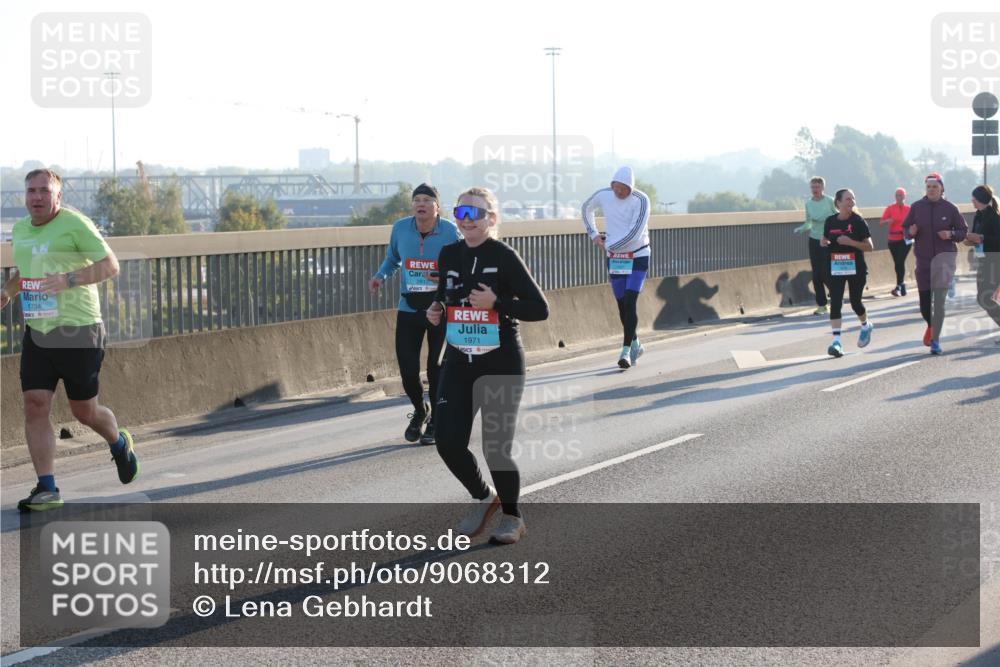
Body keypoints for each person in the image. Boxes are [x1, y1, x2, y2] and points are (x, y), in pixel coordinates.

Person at [0, 169, 138, 512]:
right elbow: (27, 272)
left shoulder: (75, 224)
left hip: (79, 330)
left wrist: (69, 279)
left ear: (57, 196)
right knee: (35, 404)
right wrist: (7, 291)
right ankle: (47, 488)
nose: (36, 197)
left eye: (44, 191)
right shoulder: (20, 231)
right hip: (39, 331)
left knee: (84, 411)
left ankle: (119, 442)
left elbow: (110, 265)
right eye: (30, 191)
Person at [426, 187, 548, 544]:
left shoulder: (504, 256)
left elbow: (540, 309)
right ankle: (484, 497)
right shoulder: (449, 254)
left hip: (501, 361)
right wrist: (436, 311)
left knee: (496, 447)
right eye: (460, 212)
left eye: (474, 213)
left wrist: (497, 301)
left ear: (491, 219)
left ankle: (512, 516)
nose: (465, 220)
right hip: (459, 360)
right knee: (447, 441)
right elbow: (443, 298)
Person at [369, 184, 462, 445]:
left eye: (427, 200)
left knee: (436, 369)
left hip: (439, 309)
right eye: (417, 200)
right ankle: (421, 411)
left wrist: (443, 278)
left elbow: (459, 265)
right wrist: (380, 276)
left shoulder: (450, 232)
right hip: (409, 308)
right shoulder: (400, 228)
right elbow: (393, 258)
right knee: (408, 372)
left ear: (437, 206)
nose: (420, 204)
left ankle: (436, 420)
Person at [581, 166, 651, 369]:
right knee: (621, 305)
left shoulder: (641, 200)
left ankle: (626, 351)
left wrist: (610, 245)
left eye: (624, 189)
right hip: (616, 259)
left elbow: (635, 233)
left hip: (638, 256)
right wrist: (593, 234)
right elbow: (586, 208)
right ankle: (636, 343)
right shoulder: (604, 195)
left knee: (630, 301)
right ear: (612, 185)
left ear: (631, 187)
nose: (619, 192)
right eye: (616, 188)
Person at [904, 172, 968, 355]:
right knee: (925, 305)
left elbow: (963, 231)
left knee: (938, 302)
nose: (931, 190)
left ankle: (936, 341)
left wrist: (951, 235)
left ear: (941, 189)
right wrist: (911, 231)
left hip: (944, 262)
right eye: (928, 187)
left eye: (935, 187)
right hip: (923, 262)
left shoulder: (950, 208)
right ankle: (932, 327)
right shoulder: (916, 207)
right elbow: (905, 230)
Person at [821, 189, 875, 357]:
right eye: (847, 199)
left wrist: (850, 242)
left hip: (856, 267)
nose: (851, 201)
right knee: (835, 302)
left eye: (853, 198)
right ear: (838, 202)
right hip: (836, 266)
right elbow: (826, 239)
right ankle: (836, 343)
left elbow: (870, 247)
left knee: (855, 302)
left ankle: (866, 325)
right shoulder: (830, 221)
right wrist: (824, 242)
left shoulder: (858, 221)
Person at [795, 177, 837, 315]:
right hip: (814, 240)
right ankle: (822, 305)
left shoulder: (830, 201)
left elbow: (837, 217)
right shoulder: (808, 204)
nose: (815, 190)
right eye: (813, 187)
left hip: (827, 240)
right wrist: (801, 229)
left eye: (817, 187)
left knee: (826, 272)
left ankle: (836, 293)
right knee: (816, 274)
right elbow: (809, 222)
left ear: (823, 188)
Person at [963, 184, 1000, 340]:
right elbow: (977, 236)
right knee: (982, 298)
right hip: (983, 261)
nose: (972, 201)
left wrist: (982, 239)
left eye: (974, 198)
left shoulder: (994, 216)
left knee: (984, 298)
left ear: (981, 199)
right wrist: (970, 240)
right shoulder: (978, 215)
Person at [880, 187, 912, 296]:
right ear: (895, 197)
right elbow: (881, 222)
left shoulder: (909, 209)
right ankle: (901, 285)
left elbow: (915, 221)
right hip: (893, 240)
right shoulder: (890, 208)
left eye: (901, 195)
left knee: (900, 261)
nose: (899, 197)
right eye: (897, 195)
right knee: (898, 263)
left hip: (906, 240)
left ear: (905, 197)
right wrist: (888, 221)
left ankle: (899, 285)